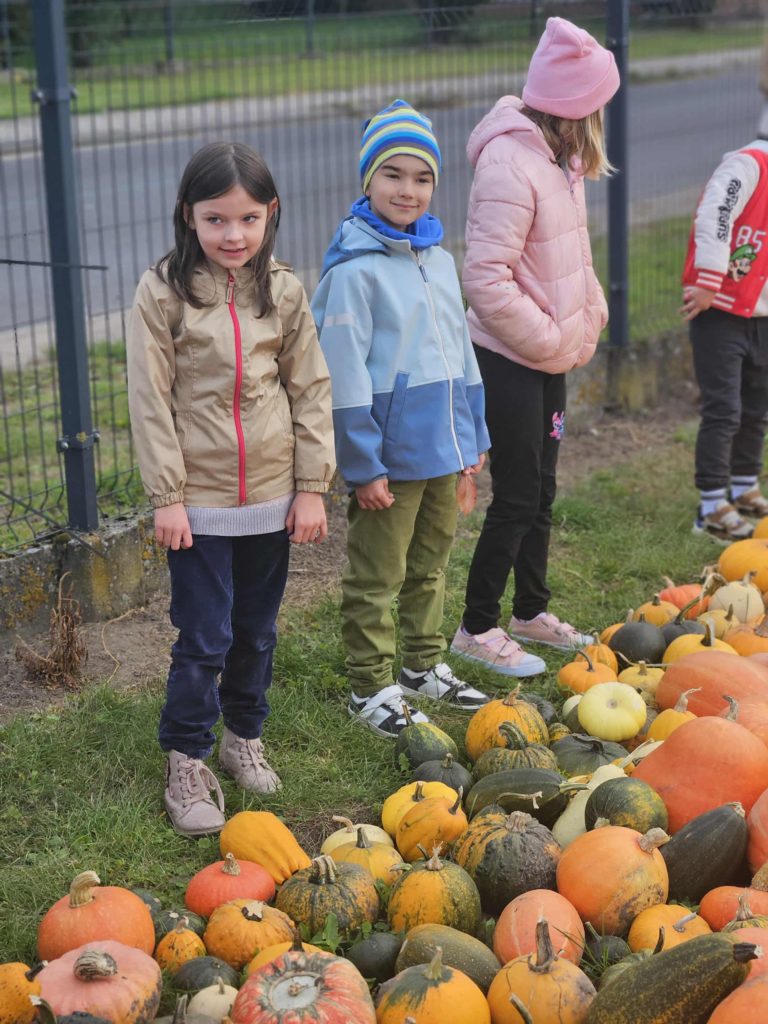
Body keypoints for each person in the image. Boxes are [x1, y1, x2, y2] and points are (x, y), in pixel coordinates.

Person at [126, 142, 335, 836]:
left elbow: (310, 387)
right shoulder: (162, 292)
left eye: (248, 218)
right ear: (188, 215)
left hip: (273, 498)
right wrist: (168, 497)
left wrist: (311, 486)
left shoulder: (284, 290)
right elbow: (150, 400)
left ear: (271, 212)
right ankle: (186, 757)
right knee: (205, 636)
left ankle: (243, 737)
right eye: (216, 219)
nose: (233, 235)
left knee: (256, 631)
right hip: (198, 504)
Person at [311, 99, 492, 738]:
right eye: (392, 174)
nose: (407, 190)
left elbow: (462, 353)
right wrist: (363, 465)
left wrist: (472, 436)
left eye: (421, 178)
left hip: (443, 449)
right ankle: (368, 684)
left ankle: (421, 665)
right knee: (377, 573)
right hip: (389, 460)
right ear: (368, 180)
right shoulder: (353, 272)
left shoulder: (438, 259)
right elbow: (342, 376)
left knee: (431, 565)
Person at [449, 17, 619, 674]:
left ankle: (530, 612)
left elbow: (575, 256)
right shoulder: (509, 164)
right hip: (510, 358)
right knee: (517, 495)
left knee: (543, 489)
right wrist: (549, 336)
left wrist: (591, 312)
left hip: (551, 358)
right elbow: (484, 279)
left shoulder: (560, 161)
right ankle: (476, 627)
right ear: (573, 106)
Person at [681, 131, 768, 542]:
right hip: (720, 310)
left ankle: (744, 485)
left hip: (763, 313)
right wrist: (709, 278)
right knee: (724, 409)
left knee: (757, 405)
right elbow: (715, 212)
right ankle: (712, 504)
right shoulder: (748, 164)